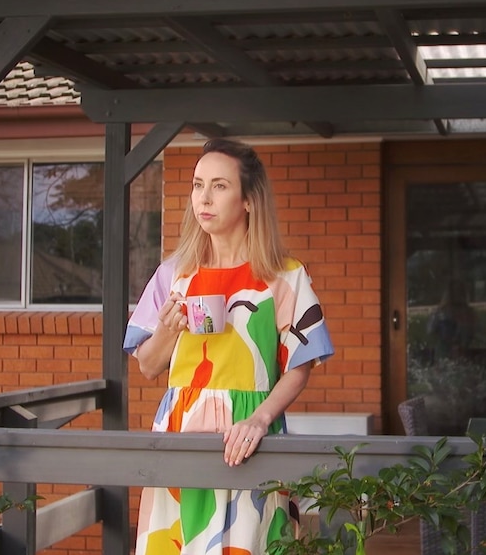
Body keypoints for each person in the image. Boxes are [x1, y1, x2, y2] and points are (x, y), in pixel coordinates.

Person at [123, 139, 334, 555]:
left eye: (219, 186)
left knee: (249, 543)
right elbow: (147, 366)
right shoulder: (173, 273)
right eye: (198, 185)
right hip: (180, 433)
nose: (203, 197)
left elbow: (300, 365)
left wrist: (259, 420)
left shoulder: (285, 276)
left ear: (249, 200)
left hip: (250, 434)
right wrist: (168, 331)